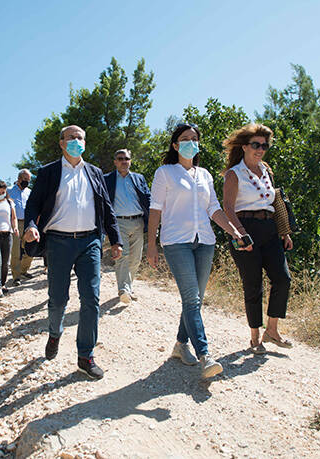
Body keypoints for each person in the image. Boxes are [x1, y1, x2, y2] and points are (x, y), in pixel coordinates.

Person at [146, 123, 247, 380]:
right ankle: (205, 356)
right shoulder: (165, 173)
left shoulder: (205, 175)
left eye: (194, 139)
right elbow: (155, 209)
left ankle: (181, 345)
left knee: (196, 300)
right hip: (176, 241)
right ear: (175, 145)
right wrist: (151, 244)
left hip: (205, 241)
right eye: (185, 139)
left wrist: (234, 231)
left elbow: (213, 208)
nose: (191, 142)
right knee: (191, 299)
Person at [23, 125, 123, 380]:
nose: (76, 141)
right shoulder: (48, 172)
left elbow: (106, 208)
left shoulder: (95, 173)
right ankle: (55, 332)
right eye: (71, 137)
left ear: (85, 143)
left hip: (90, 241)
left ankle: (85, 356)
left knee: (91, 298)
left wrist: (115, 240)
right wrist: (32, 226)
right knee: (58, 299)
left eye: (80, 138)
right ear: (61, 143)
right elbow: (33, 203)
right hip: (58, 242)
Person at [222, 123, 293, 354]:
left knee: (282, 278)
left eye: (264, 145)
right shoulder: (234, 174)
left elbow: (275, 202)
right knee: (253, 285)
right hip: (245, 228)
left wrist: (284, 232)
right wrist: (241, 234)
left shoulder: (266, 170)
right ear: (244, 147)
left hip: (270, 229)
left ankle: (272, 330)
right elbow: (228, 209)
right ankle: (255, 338)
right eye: (256, 145)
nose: (261, 149)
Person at [104, 149, 151, 304]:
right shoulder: (107, 179)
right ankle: (123, 290)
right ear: (115, 162)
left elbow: (147, 198)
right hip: (118, 223)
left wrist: (152, 221)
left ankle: (128, 288)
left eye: (127, 158)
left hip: (138, 222)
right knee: (122, 256)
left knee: (136, 259)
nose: (124, 161)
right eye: (120, 158)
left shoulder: (139, 178)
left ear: (130, 161)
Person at [8, 169, 34, 286]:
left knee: (31, 247)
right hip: (15, 223)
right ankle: (16, 276)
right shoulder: (9, 191)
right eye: (25, 180)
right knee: (16, 251)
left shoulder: (30, 192)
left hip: (28, 223)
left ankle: (24, 270)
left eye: (28, 180)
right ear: (19, 179)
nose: (27, 182)